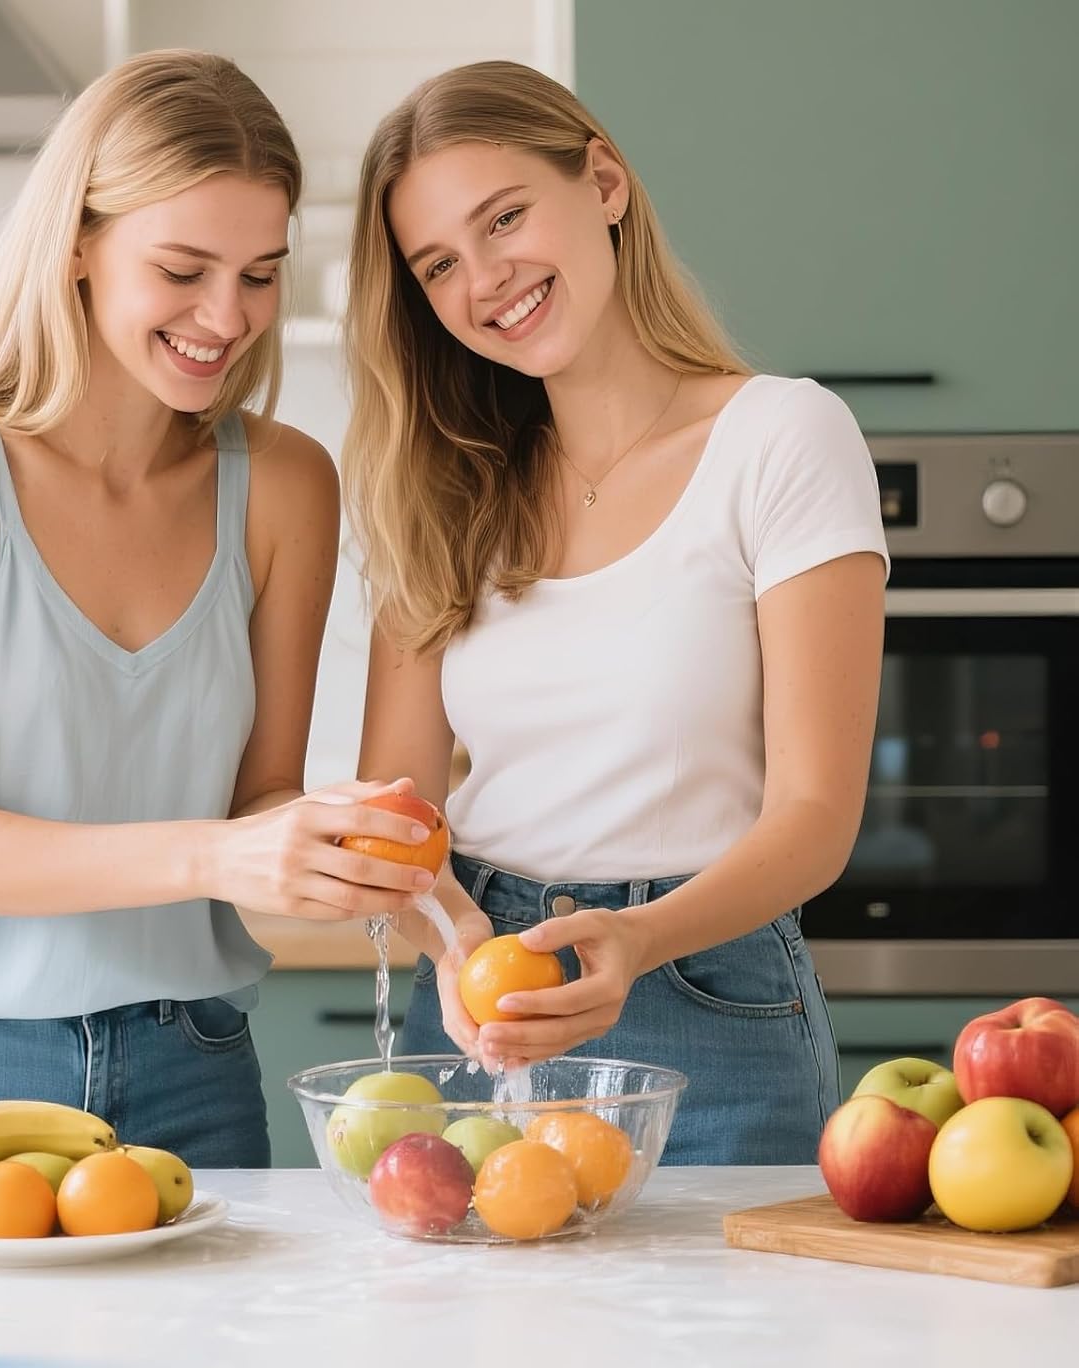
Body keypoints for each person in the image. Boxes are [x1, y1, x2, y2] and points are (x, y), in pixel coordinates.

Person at [0, 51, 437, 1168]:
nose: (227, 315)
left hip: (192, 1053)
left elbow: (259, 799)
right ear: (78, 249)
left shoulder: (284, 484)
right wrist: (220, 857)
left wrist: (324, 844)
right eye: (184, 268)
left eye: (260, 273)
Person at [342, 61, 889, 1165]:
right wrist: (454, 948)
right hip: (484, 999)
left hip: (709, 990)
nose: (487, 278)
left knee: (720, 1339)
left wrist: (636, 940)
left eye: (505, 218)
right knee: (472, 1342)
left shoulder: (783, 437)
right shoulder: (442, 482)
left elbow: (817, 815)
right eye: (440, 263)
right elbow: (394, 819)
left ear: (602, 182)